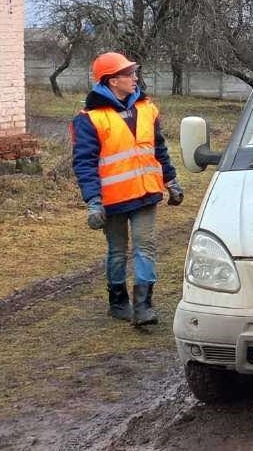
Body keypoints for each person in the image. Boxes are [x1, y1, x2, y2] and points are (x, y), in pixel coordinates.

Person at [71, 52, 184, 325]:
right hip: (113, 200)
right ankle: (118, 301)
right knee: (118, 251)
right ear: (112, 81)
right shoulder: (90, 119)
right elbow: (84, 163)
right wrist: (94, 201)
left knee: (145, 247)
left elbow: (158, 148)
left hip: (146, 193)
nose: (135, 78)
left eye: (134, 73)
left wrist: (171, 181)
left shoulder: (146, 108)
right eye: (129, 74)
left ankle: (144, 305)